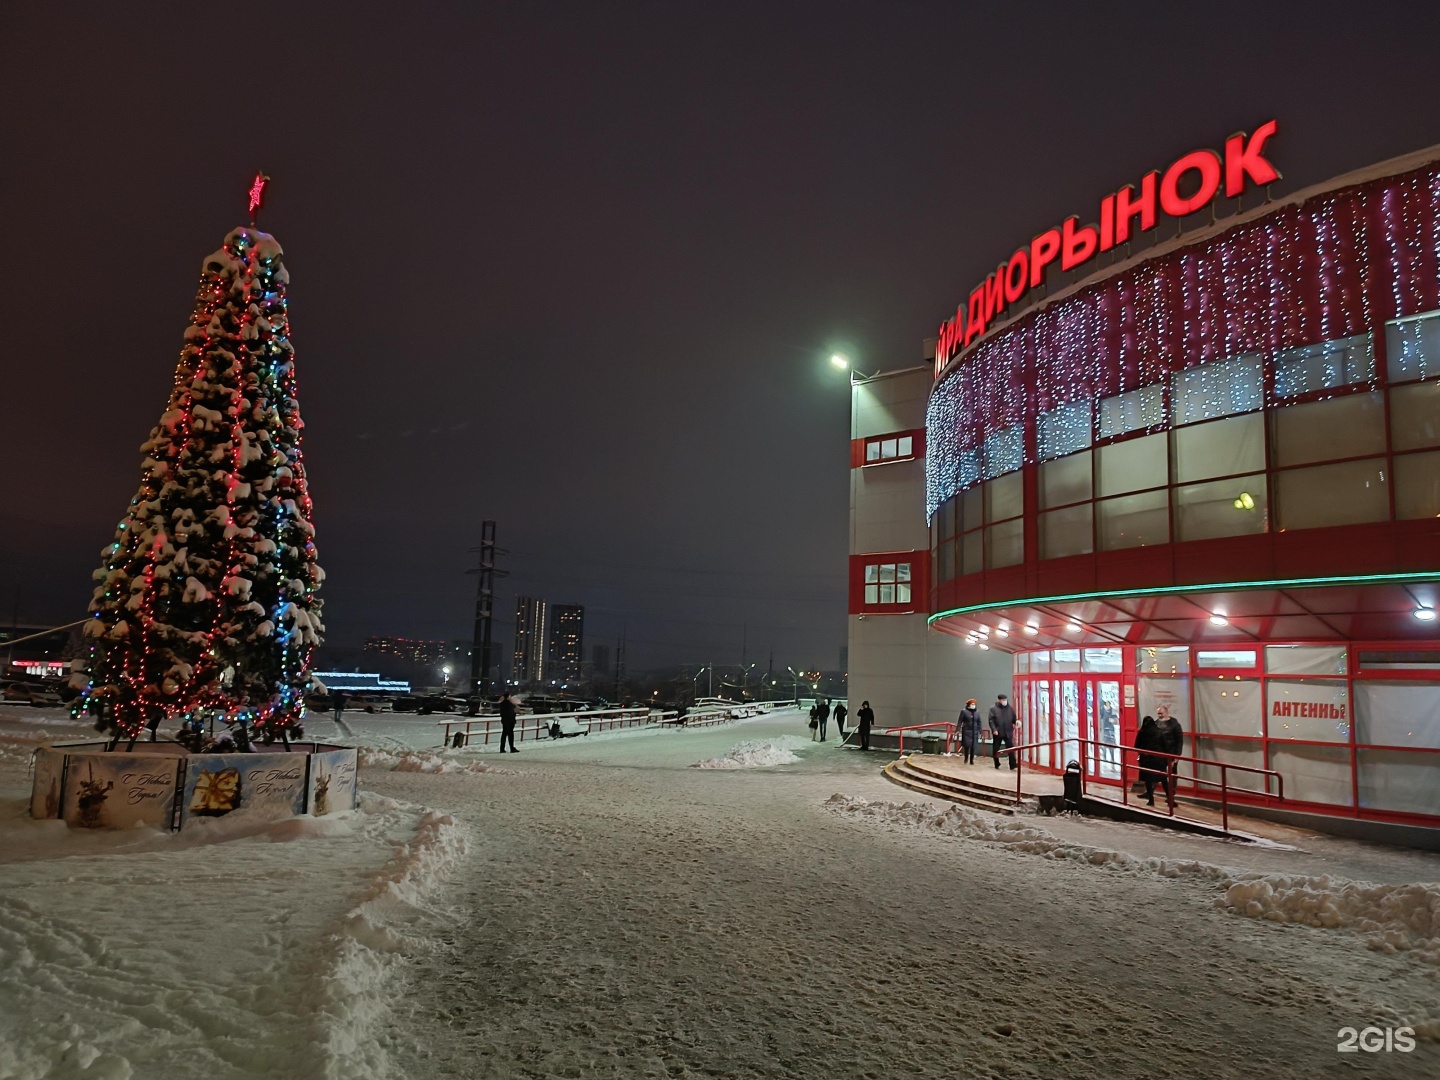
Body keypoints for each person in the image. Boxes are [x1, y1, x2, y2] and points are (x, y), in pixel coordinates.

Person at [1155, 705, 1184, 805]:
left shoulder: (1174, 725)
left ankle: (1171, 795)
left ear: (1166, 713)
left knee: (1171, 776)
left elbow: (1179, 741)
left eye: (1161, 713)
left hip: (1171, 754)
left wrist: (1177, 756)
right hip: (1160, 754)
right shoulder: (1156, 723)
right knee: (1161, 775)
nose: (1159, 716)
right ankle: (1168, 796)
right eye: (1158, 713)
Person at [1135, 715, 1165, 806]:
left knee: (1148, 779)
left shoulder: (1142, 732)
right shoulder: (1159, 732)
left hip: (1146, 759)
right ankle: (1170, 800)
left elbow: (1136, 745)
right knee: (1163, 778)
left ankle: (1151, 799)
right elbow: (1164, 745)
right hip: (1158, 759)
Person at [988, 692, 1017, 770]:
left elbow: (1014, 718)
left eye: (1005, 700)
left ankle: (1013, 764)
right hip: (998, 732)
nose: (1005, 701)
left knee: (1010, 748)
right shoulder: (993, 709)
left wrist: (1016, 722)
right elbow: (991, 720)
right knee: (996, 748)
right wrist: (994, 729)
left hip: (1008, 732)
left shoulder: (1010, 708)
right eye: (1003, 700)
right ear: (999, 700)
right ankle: (996, 763)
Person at [957, 698, 981, 765]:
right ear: (969, 705)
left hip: (974, 731)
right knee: (966, 746)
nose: (973, 705)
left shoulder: (977, 712)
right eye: (972, 704)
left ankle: (971, 760)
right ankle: (966, 758)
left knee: (973, 746)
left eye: (974, 704)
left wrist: (980, 730)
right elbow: (960, 721)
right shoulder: (964, 711)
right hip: (966, 731)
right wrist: (958, 729)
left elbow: (979, 722)